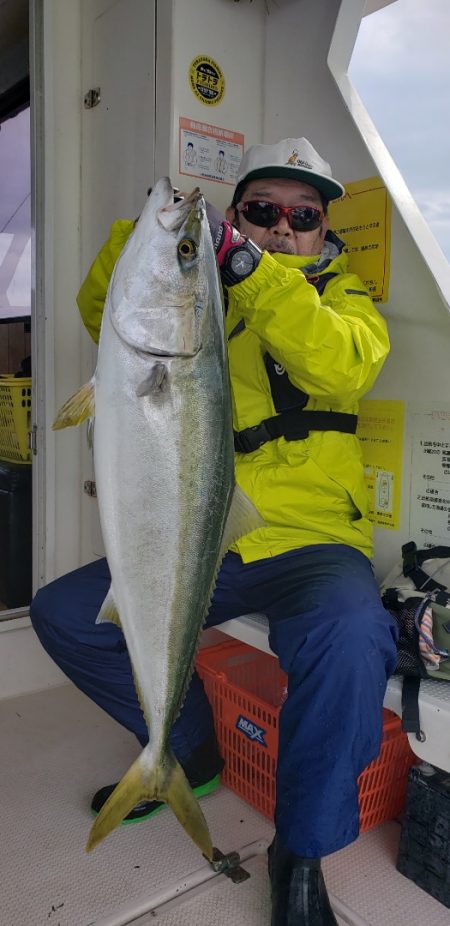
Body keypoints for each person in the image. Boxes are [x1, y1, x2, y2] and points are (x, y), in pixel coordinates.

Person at [31, 137, 398, 925]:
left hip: (310, 543)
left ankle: (301, 850)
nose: (281, 227)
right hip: (210, 536)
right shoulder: (196, 290)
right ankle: (187, 750)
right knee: (62, 615)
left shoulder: (346, 300)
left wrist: (248, 271)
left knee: (354, 635)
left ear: (323, 228)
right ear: (235, 217)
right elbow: (108, 309)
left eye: (301, 216)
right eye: (261, 212)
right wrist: (155, 240)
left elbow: (345, 367)